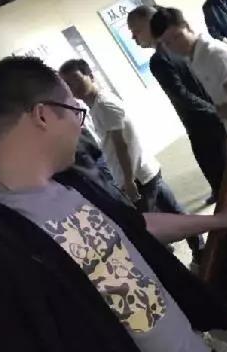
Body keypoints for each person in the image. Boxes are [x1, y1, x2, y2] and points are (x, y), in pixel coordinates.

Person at [0, 56, 227, 352]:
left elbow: (135, 228)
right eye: (75, 111)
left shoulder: (72, 183)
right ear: (43, 115)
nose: (79, 125)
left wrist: (216, 221)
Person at [58, 59, 203, 261]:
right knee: (173, 212)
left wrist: (128, 180)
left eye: (75, 79)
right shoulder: (97, 105)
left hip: (138, 177)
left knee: (148, 228)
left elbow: (122, 145)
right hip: (145, 170)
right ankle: (200, 249)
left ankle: (177, 258)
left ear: (90, 75)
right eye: (67, 83)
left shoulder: (104, 105)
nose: (73, 87)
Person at [127, 5, 227, 205]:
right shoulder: (181, 47)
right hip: (216, 114)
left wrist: (216, 113)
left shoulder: (159, 59)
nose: (133, 37)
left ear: (150, 24)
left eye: (136, 31)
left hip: (204, 123)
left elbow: (182, 95)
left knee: (222, 176)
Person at [150, 6, 227, 139]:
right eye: (168, 43)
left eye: (177, 36)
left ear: (187, 27)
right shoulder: (193, 59)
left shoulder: (214, 53)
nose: (175, 45)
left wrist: (225, 116)